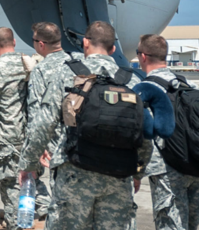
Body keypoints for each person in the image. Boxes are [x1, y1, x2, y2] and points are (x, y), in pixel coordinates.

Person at [18, 21, 151, 230]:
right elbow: (145, 134)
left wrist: (28, 164)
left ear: (85, 43)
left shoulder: (68, 74)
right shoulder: (131, 81)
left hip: (75, 172)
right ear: (113, 48)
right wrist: (137, 172)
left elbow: (43, 123)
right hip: (118, 175)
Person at [0, 28, 47, 229]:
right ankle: (34, 214)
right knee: (31, 180)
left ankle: (18, 224)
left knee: (12, 184)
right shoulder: (30, 64)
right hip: (33, 135)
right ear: (14, 41)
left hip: (8, 137)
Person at [137, 34, 199, 230]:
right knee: (191, 224)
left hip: (167, 169)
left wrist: (137, 172)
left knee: (170, 224)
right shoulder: (188, 84)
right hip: (195, 164)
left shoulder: (146, 89)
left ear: (143, 56)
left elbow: (144, 135)